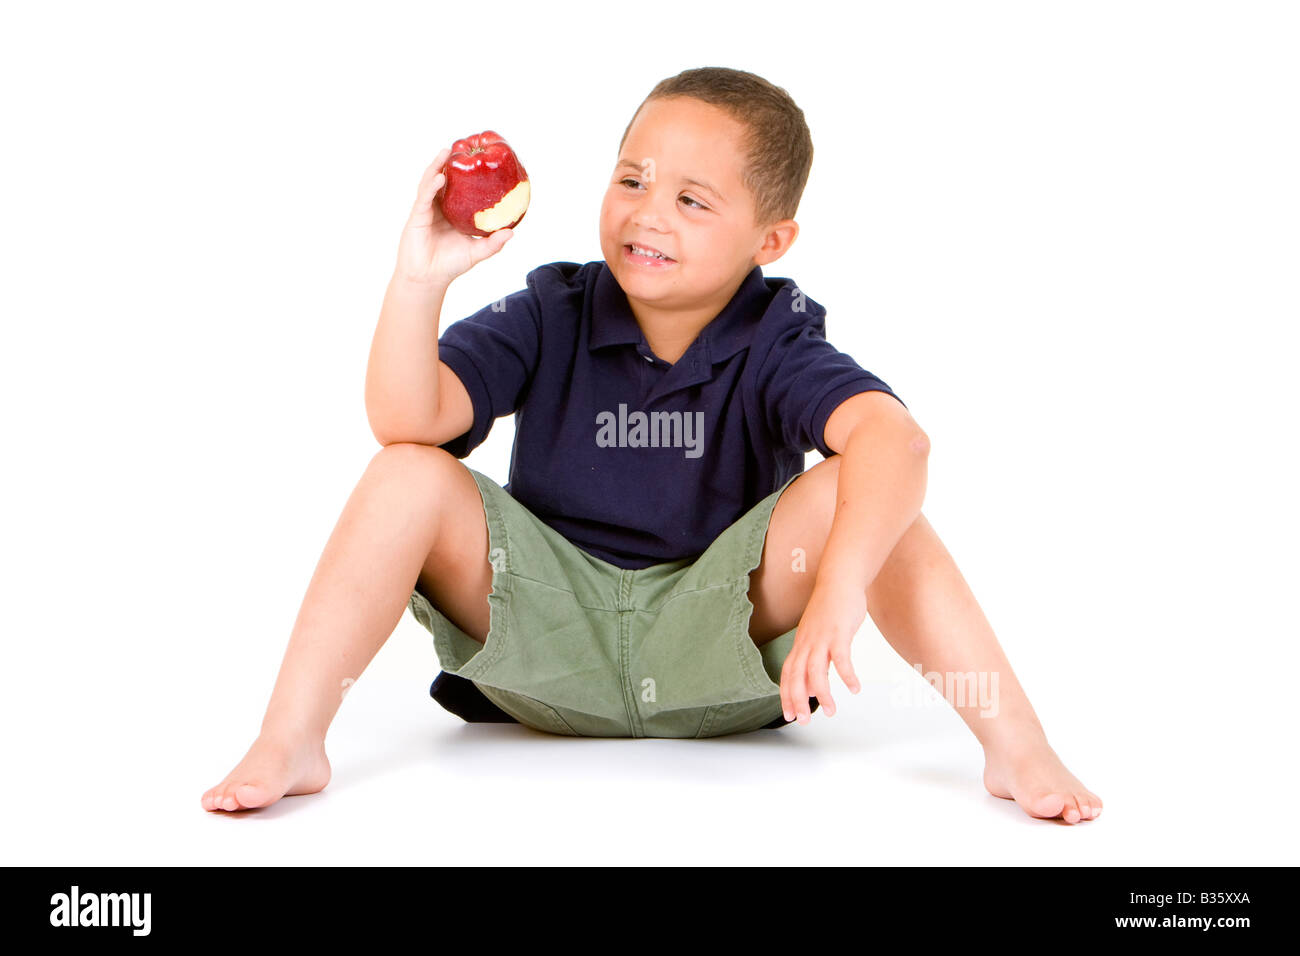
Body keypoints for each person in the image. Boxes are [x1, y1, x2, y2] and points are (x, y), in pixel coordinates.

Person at [202, 66, 1101, 824]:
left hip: (714, 644)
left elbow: (898, 443)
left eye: (691, 200)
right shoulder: (556, 305)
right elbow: (408, 419)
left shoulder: (777, 333)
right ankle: (291, 740)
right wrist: (417, 282)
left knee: (871, 489)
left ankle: (1017, 750)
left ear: (770, 241)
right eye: (630, 181)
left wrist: (836, 590)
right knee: (404, 473)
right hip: (543, 636)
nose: (647, 214)